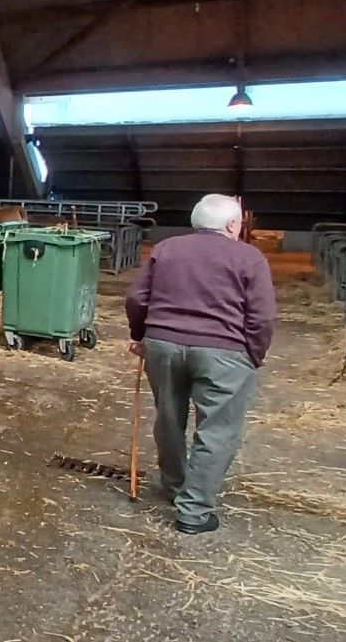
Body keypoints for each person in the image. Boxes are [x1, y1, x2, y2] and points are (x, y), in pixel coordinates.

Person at [125, 192, 277, 535]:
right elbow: (263, 316)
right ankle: (192, 510)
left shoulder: (166, 248)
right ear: (233, 224)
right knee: (217, 429)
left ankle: (175, 486)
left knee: (168, 417)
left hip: (163, 345)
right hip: (223, 351)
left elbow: (136, 297)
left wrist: (142, 336)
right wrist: (254, 353)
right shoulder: (249, 258)